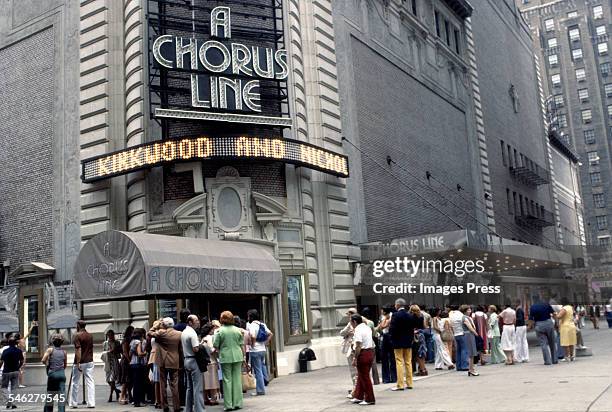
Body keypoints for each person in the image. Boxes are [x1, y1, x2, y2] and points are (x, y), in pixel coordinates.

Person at [213, 311, 246, 412]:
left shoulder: (220, 331)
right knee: (237, 379)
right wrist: (244, 357)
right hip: (237, 355)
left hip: (225, 356)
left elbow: (215, 344)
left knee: (227, 380)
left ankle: (229, 405)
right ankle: (238, 403)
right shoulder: (238, 330)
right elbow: (242, 345)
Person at [389, 298, 423, 391]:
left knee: (399, 362)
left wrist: (391, 339)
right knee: (408, 362)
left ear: (397, 305)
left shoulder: (395, 315)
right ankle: (410, 383)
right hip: (408, 341)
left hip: (397, 341)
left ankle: (400, 384)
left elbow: (392, 329)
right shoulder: (410, 315)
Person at [150, 317, 183, 412]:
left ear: (164, 324)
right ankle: (176, 406)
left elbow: (150, 333)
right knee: (174, 384)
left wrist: (156, 325)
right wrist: (181, 361)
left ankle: (165, 406)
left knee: (163, 384)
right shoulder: (179, 334)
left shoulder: (161, 333)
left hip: (162, 361)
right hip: (174, 360)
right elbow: (180, 349)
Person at [348, 314, 375, 405]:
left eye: (351, 322)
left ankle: (369, 398)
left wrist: (355, 357)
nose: (350, 324)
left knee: (365, 377)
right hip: (370, 352)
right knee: (361, 375)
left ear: (355, 322)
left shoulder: (358, 330)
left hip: (363, 353)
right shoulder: (366, 327)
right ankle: (358, 396)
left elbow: (358, 345)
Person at [180, 314, 205, 412]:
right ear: (190, 322)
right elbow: (195, 349)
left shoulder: (184, 332)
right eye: (196, 320)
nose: (198, 322)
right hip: (194, 360)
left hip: (186, 360)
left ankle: (188, 409)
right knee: (197, 387)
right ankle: (199, 409)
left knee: (189, 387)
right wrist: (201, 345)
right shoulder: (192, 333)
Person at [69, 320, 95, 408]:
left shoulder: (76, 335)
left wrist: (78, 362)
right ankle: (91, 403)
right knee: (90, 382)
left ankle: (73, 403)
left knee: (75, 382)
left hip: (80, 362)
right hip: (90, 361)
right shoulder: (90, 335)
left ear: (78, 325)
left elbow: (78, 349)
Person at [247, 309, 272, 396]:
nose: (248, 318)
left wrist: (253, 345)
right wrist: (265, 342)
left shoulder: (252, 325)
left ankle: (260, 390)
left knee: (258, 371)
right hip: (262, 349)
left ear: (251, 317)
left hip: (255, 350)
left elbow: (253, 336)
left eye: (248, 316)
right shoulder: (262, 324)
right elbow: (270, 334)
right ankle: (261, 389)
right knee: (261, 369)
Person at [42, 333, 67, 412]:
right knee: (62, 395)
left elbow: (43, 360)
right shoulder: (64, 352)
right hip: (61, 374)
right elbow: (65, 364)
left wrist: (48, 365)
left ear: (53, 342)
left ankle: (48, 411)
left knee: (50, 393)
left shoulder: (50, 350)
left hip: (52, 373)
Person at [528, 299, 557, 365]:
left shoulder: (533, 307)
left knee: (543, 344)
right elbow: (554, 314)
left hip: (539, 325)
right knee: (552, 342)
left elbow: (531, 319)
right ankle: (555, 360)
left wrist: (529, 327)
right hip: (549, 323)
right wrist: (556, 323)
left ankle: (547, 361)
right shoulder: (547, 304)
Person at [375, 306, 396, 383]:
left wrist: (384, 320)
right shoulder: (383, 317)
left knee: (392, 358)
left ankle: (393, 377)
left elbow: (383, 326)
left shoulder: (392, 316)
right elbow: (379, 327)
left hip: (390, 336)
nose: (381, 312)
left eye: (382, 310)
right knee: (384, 358)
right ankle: (386, 378)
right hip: (384, 336)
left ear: (385, 311)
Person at [0, 338, 23, 409]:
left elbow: (1, 361)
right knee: (14, 388)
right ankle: (12, 402)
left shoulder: (5, 351)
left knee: (4, 387)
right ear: (15, 343)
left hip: (6, 371)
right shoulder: (19, 351)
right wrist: (18, 367)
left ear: (8, 343)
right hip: (15, 371)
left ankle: (9, 400)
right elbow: (22, 361)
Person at [201, 322, 220, 406]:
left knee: (205, 382)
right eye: (212, 329)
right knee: (213, 382)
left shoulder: (203, 338)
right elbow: (212, 350)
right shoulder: (210, 338)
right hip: (212, 361)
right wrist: (217, 349)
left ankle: (205, 398)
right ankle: (213, 399)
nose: (213, 330)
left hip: (205, 362)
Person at [340, 308, 357, 395]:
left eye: (348, 315)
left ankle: (356, 389)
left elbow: (342, 333)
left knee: (354, 370)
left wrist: (349, 332)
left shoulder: (352, 324)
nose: (348, 317)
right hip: (357, 348)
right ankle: (356, 388)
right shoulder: (361, 321)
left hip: (353, 348)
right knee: (356, 370)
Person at [360, 308, 380, 385]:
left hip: (363, 345)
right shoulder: (371, 322)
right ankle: (376, 380)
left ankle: (366, 380)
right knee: (373, 363)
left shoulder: (360, 321)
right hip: (371, 343)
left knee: (364, 364)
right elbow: (374, 334)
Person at [102, 330, 122, 402]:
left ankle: (110, 396)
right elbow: (103, 352)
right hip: (108, 362)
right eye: (109, 335)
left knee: (112, 379)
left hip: (114, 361)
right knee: (108, 379)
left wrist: (114, 350)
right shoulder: (105, 343)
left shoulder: (117, 342)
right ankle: (116, 391)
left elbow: (119, 351)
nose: (110, 337)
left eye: (111, 335)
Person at [459, 305, 479, 376]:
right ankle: (471, 369)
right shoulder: (465, 318)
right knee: (471, 353)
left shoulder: (468, 317)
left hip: (470, 335)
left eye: (470, 309)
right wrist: (476, 333)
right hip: (469, 335)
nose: (470, 311)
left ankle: (471, 369)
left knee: (472, 353)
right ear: (464, 311)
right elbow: (469, 327)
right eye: (468, 310)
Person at [130, 329, 147, 407]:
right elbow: (140, 353)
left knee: (135, 383)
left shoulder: (132, 342)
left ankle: (135, 400)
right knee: (139, 384)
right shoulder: (138, 342)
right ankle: (138, 402)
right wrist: (145, 353)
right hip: (138, 364)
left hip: (133, 363)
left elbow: (130, 353)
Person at [14, 322, 35, 389]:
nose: (21, 335)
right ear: (19, 336)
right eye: (20, 335)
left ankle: (18, 383)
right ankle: (20, 384)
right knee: (21, 369)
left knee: (19, 369)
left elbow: (28, 333)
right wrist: (32, 326)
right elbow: (28, 333)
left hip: (18, 354)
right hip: (22, 353)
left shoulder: (16, 342)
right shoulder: (22, 340)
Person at [449, 305, 469, 371]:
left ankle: (459, 366)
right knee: (464, 350)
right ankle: (464, 366)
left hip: (455, 334)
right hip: (462, 333)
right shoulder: (461, 315)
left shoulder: (451, 315)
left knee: (459, 350)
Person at [147, 321, 162, 409]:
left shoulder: (156, 334)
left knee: (157, 380)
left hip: (155, 357)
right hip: (158, 357)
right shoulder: (157, 334)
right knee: (158, 380)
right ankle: (158, 400)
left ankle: (158, 400)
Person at [410, 305, 428, 376]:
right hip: (421, 335)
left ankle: (422, 370)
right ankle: (423, 369)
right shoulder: (421, 316)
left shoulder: (411, 317)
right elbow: (424, 326)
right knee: (422, 353)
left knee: (417, 354)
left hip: (415, 336)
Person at [119, 325, 134, 405]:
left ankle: (128, 395)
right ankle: (122, 396)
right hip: (126, 362)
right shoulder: (125, 340)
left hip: (128, 361)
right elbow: (125, 352)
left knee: (129, 380)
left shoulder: (130, 340)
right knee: (126, 379)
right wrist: (129, 360)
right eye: (132, 331)